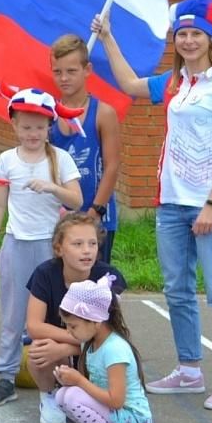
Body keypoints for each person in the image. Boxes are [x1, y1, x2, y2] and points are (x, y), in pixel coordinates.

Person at [93, 0, 212, 411]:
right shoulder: (176, 84)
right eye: (182, 34)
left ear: (210, 38)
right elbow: (129, 85)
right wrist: (107, 39)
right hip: (172, 204)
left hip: (210, 206)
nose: (189, 40)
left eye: (197, 33)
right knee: (177, 291)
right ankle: (190, 370)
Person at [0, 87, 85, 408]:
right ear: (13, 125)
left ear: (49, 127)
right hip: (16, 244)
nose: (32, 134)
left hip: (49, 248)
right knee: (13, 313)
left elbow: (77, 200)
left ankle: (62, 371)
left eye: (39, 127)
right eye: (26, 127)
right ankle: (6, 377)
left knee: (54, 313)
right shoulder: (6, 160)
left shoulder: (60, 158)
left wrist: (51, 187)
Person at [24, 210, 128, 423]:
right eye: (78, 244)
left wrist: (69, 348)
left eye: (92, 243)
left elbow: (109, 332)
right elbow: (34, 326)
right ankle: (49, 396)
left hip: (93, 348)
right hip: (66, 344)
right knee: (38, 348)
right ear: (59, 248)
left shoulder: (108, 276)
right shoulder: (44, 273)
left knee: (109, 351)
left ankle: (96, 397)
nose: (86, 251)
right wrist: (68, 343)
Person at [51, 274, 153, 423]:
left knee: (72, 396)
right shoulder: (90, 343)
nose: (68, 332)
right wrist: (70, 381)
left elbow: (116, 400)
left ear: (96, 321)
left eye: (73, 326)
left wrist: (79, 381)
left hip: (135, 421)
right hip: (119, 417)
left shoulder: (114, 349)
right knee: (62, 395)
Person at [49, 34, 123, 263]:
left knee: (95, 290)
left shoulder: (103, 113)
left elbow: (112, 166)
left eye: (71, 71)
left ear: (87, 69)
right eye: (57, 72)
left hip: (96, 214)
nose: (64, 78)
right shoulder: (47, 113)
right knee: (58, 289)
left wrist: (95, 212)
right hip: (56, 217)